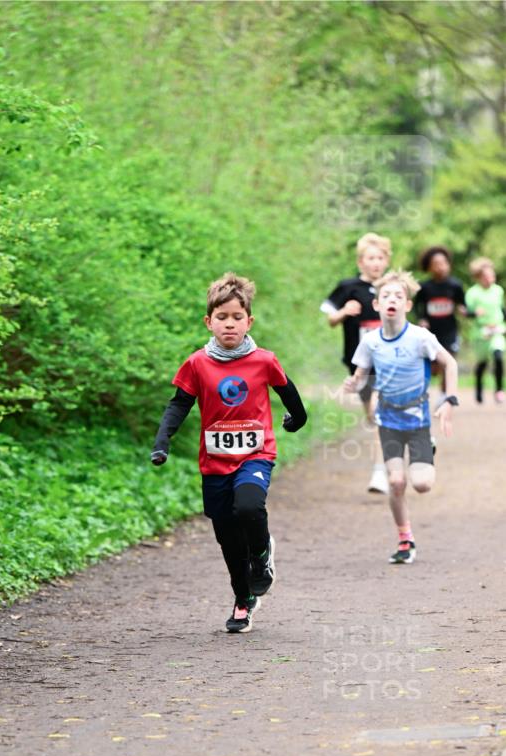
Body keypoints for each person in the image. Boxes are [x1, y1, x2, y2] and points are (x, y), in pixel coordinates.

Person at [151, 272, 307, 634]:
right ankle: (242, 599)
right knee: (227, 535)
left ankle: (263, 555)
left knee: (249, 506)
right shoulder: (197, 364)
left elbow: (289, 393)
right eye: (222, 317)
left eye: (237, 317)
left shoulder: (264, 360)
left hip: (256, 454)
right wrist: (163, 441)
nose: (230, 324)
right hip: (215, 462)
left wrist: (296, 420)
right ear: (209, 322)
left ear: (249, 321)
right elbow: (178, 406)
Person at [344, 270, 459, 565]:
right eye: (386, 296)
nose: (392, 299)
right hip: (389, 422)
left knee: (421, 485)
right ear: (377, 305)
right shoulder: (370, 342)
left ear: (407, 305)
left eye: (398, 296)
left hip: (418, 422)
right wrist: (352, 385)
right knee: (396, 482)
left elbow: (450, 363)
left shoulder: (421, 337)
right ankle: (405, 538)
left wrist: (449, 400)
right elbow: (360, 376)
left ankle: (428, 447)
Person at [320, 232, 392, 494]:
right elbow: (329, 319)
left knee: (380, 412)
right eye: (370, 258)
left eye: (380, 257)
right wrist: (343, 312)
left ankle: (379, 473)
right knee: (373, 416)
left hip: (390, 363)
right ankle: (407, 436)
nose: (375, 263)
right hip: (359, 364)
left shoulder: (391, 288)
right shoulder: (348, 287)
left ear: (386, 260)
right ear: (361, 262)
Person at [414, 245, 466, 396]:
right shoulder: (424, 287)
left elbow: (462, 303)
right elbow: (417, 306)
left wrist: (462, 309)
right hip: (431, 332)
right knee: (434, 368)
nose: (441, 267)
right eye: (436, 264)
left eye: (444, 263)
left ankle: (444, 396)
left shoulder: (455, 285)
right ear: (429, 267)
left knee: (448, 362)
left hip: (450, 329)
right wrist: (422, 318)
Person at [465, 257, 505, 404]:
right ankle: (479, 389)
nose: (490, 279)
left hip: (497, 330)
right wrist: (475, 313)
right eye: (486, 277)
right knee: (482, 363)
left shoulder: (498, 290)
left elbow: (501, 309)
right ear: (478, 277)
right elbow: (466, 313)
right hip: (481, 332)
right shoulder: (472, 293)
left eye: (492, 276)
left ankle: (499, 390)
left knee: (498, 356)